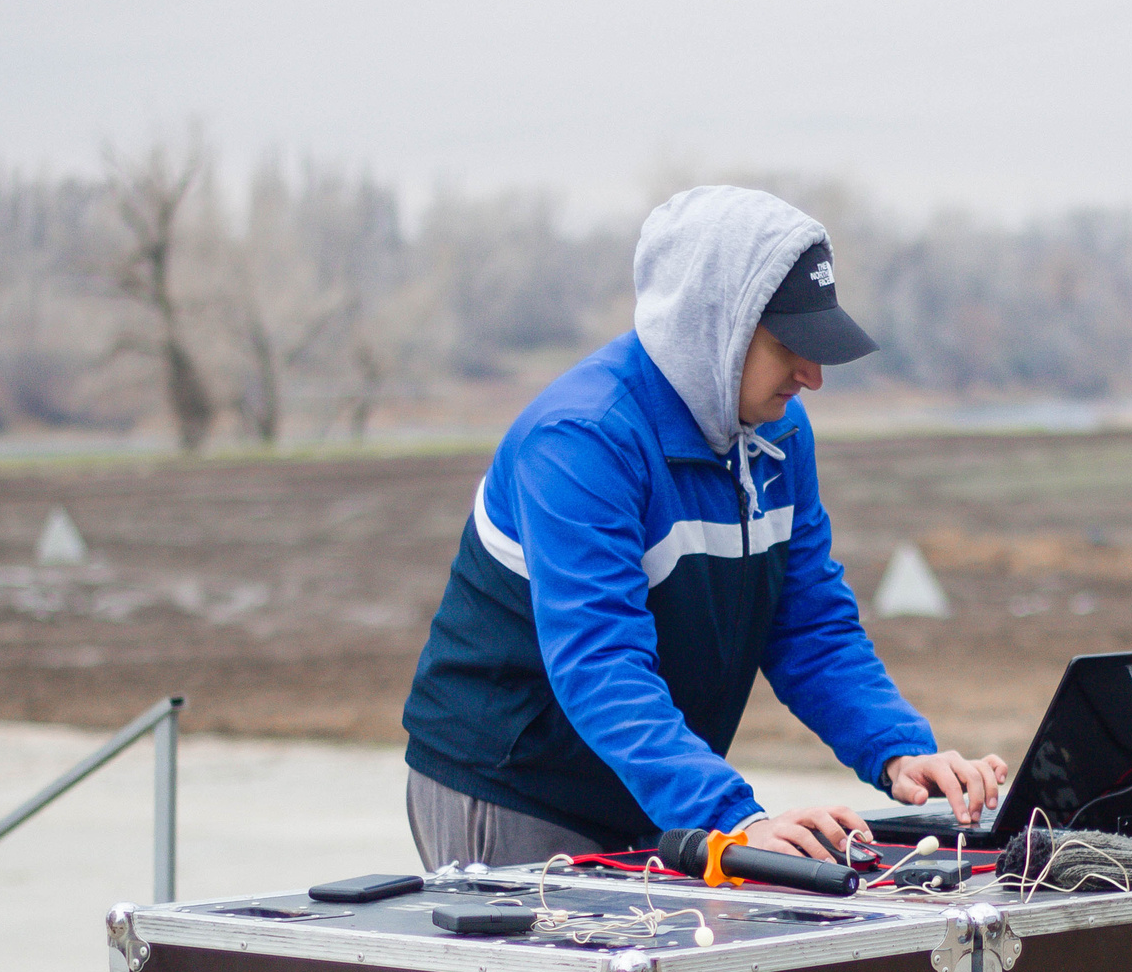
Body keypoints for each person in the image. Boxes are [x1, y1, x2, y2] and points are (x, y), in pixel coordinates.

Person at [402, 185, 1005, 868]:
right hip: (515, 783)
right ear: (712, 326)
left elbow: (809, 624)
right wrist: (734, 819)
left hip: (644, 786)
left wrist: (899, 746)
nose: (813, 376)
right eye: (790, 348)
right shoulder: (582, 440)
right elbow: (601, 663)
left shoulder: (777, 431)